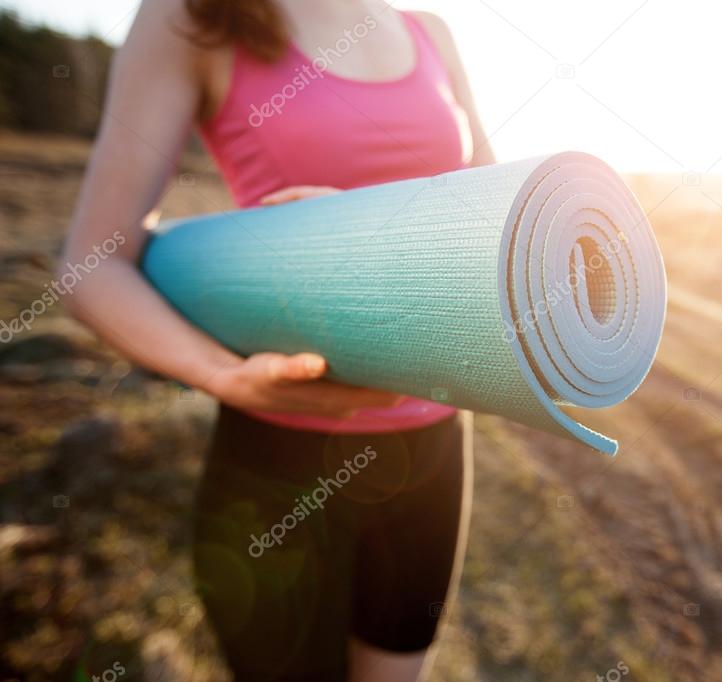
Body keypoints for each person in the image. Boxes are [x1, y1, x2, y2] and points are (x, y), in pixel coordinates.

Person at [60, 0, 493, 679]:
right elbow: (93, 266)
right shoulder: (194, 16)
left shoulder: (428, 31)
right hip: (278, 462)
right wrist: (219, 373)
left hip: (433, 450)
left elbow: (490, 225)